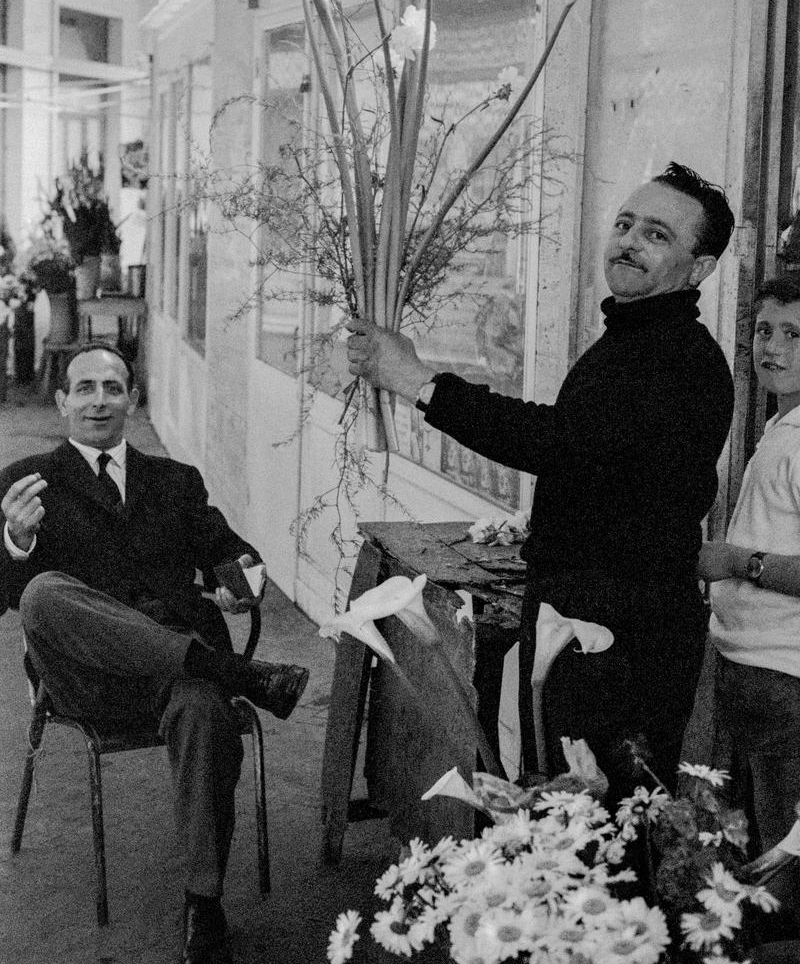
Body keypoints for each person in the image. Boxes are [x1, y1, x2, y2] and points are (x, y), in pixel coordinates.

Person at [347, 163, 736, 798]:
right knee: (563, 803)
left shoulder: (679, 357)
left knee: (599, 824)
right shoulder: (632, 338)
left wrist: (419, 382)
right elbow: (602, 467)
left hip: (619, 636)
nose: (629, 240)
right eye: (625, 223)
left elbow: (559, 443)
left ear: (699, 268)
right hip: (586, 618)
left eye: (658, 234)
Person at [0, 343, 309, 964]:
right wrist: (16, 540)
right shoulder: (25, 482)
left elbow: (234, 554)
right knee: (42, 595)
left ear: (131, 400)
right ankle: (237, 673)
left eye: (112, 388)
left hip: (174, 678)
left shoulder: (175, 481)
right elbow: (6, 598)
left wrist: (237, 579)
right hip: (87, 679)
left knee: (206, 711)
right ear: (61, 402)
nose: (98, 401)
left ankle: (203, 904)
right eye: (83, 388)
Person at [700, 277, 800, 922]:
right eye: (765, 331)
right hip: (752, 668)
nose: (773, 347)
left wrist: (737, 561)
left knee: (779, 867)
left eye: (795, 335)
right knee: (755, 848)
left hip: (785, 675)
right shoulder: (781, 424)